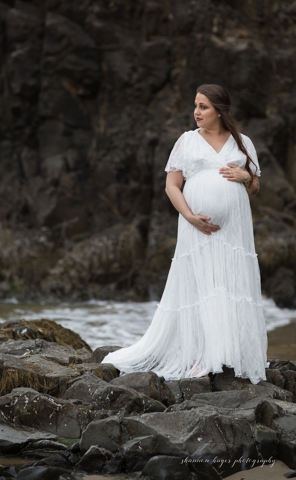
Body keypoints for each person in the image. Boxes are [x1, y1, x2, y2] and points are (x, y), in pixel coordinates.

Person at [103, 84, 269, 383]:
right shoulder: (187, 141)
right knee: (199, 285)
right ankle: (199, 355)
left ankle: (228, 352)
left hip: (234, 229)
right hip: (196, 228)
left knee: (229, 283)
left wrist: (246, 176)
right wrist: (190, 216)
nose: (196, 112)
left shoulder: (242, 142)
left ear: (219, 110)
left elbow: (255, 185)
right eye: (196, 105)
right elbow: (172, 185)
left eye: (203, 106)